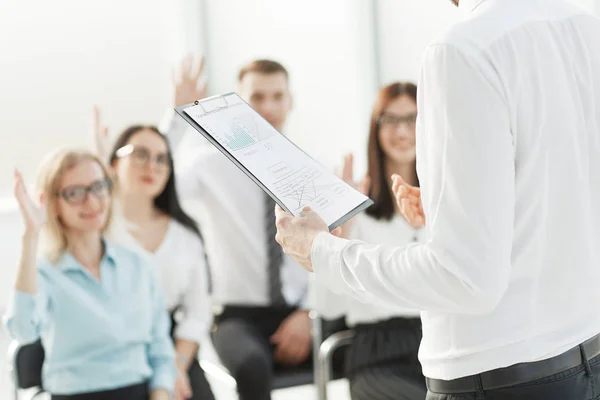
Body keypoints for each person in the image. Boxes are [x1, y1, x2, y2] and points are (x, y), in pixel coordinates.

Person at [274, 0, 600, 399]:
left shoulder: (463, 50)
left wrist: (320, 251)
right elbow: (565, 192)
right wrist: (468, 205)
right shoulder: (587, 26)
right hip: (587, 358)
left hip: (501, 379)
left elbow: (464, 278)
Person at [161, 57, 313, 400]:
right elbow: (157, 187)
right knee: (251, 366)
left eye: (278, 96)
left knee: (366, 351)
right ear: (239, 104)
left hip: (298, 311)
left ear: (291, 101)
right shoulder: (208, 163)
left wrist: (308, 312)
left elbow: (331, 245)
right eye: (257, 97)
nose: (269, 106)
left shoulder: (309, 167)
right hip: (235, 317)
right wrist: (176, 118)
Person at [3, 149, 175, 400]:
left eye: (98, 187)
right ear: (54, 204)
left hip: (140, 392)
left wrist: (161, 395)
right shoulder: (43, 272)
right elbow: (22, 330)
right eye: (75, 193)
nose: (92, 202)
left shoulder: (139, 265)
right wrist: (31, 234)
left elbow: (161, 349)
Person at [92, 111, 215, 400]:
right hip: (110, 352)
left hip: (174, 349)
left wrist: (177, 366)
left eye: (162, 159)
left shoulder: (186, 235)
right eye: (140, 154)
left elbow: (197, 313)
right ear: (113, 163)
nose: (152, 166)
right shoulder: (97, 229)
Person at [317, 82, 426, 400]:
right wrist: (340, 235)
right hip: (379, 353)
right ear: (376, 129)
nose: (403, 131)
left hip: (443, 342)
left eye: (413, 119)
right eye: (391, 120)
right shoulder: (355, 206)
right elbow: (328, 306)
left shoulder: (446, 201)